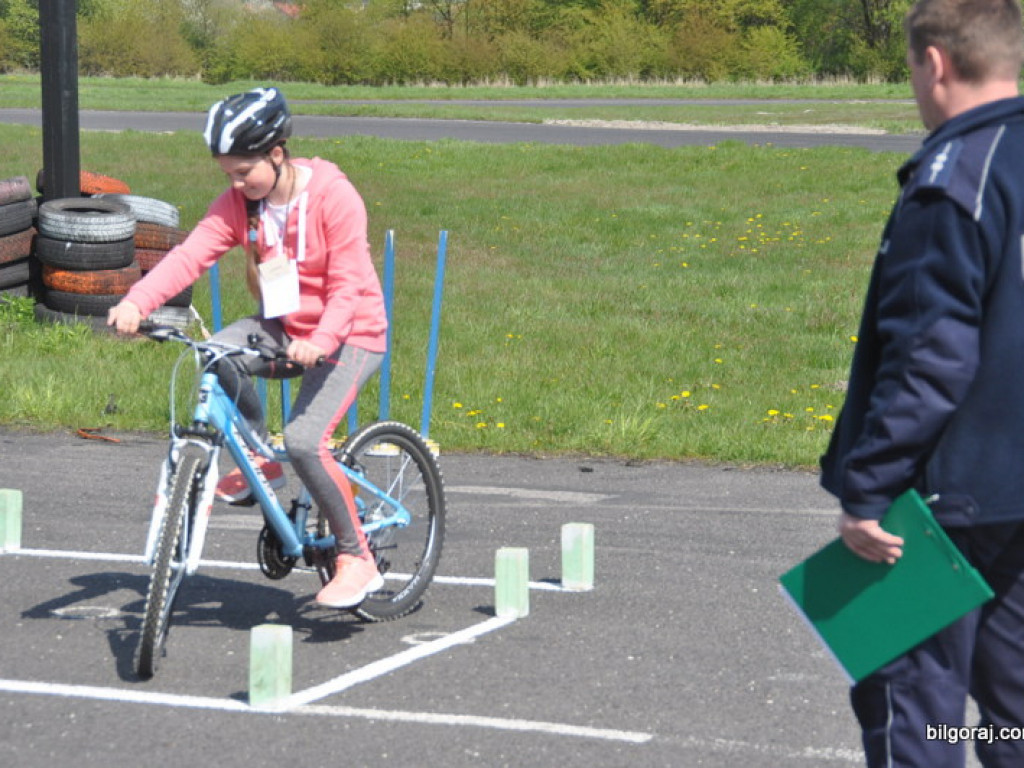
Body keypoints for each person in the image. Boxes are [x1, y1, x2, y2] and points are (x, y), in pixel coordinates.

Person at [819, 1, 1024, 765]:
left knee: (913, 705)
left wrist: (867, 491)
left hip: (948, 503)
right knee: (1013, 705)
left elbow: (932, 359)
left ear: (934, 63)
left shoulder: (952, 177)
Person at [108, 86, 388, 609]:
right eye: (227, 175)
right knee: (213, 353)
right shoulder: (243, 204)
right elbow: (190, 255)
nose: (235, 184)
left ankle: (358, 559)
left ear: (277, 154)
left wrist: (321, 341)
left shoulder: (333, 196)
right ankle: (262, 459)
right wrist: (137, 301)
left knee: (306, 440)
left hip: (351, 333)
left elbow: (349, 286)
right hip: (284, 328)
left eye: (243, 172)